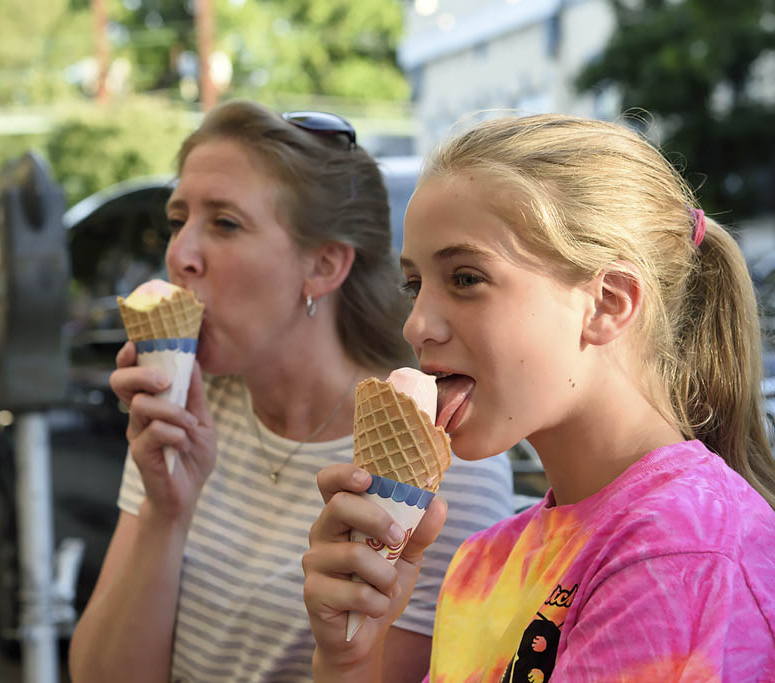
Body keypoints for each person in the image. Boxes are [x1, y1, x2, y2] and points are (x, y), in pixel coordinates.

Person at [302, 113, 775, 681]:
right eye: (414, 285)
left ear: (608, 303)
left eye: (465, 278)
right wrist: (351, 656)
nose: (416, 326)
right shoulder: (487, 560)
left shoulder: (680, 550)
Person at [67, 101, 515, 683]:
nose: (180, 256)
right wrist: (163, 511)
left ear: (324, 265)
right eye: (179, 221)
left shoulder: (442, 461)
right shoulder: (188, 414)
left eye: (224, 223)